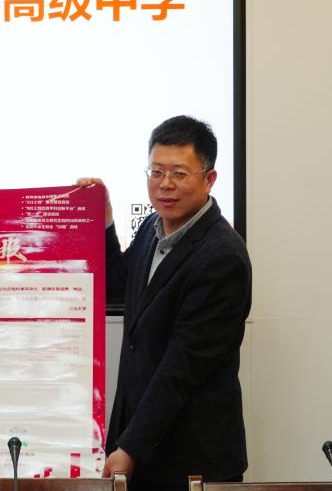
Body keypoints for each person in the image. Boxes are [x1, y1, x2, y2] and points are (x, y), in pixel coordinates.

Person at [78, 115, 252, 490]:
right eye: (156, 172)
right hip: (142, 444)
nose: (165, 184)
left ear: (209, 179)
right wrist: (104, 220)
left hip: (191, 460)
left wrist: (131, 447)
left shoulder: (222, 257)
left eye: (179, 173)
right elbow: (119, 285)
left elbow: (181, 368)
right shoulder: (151, 227)